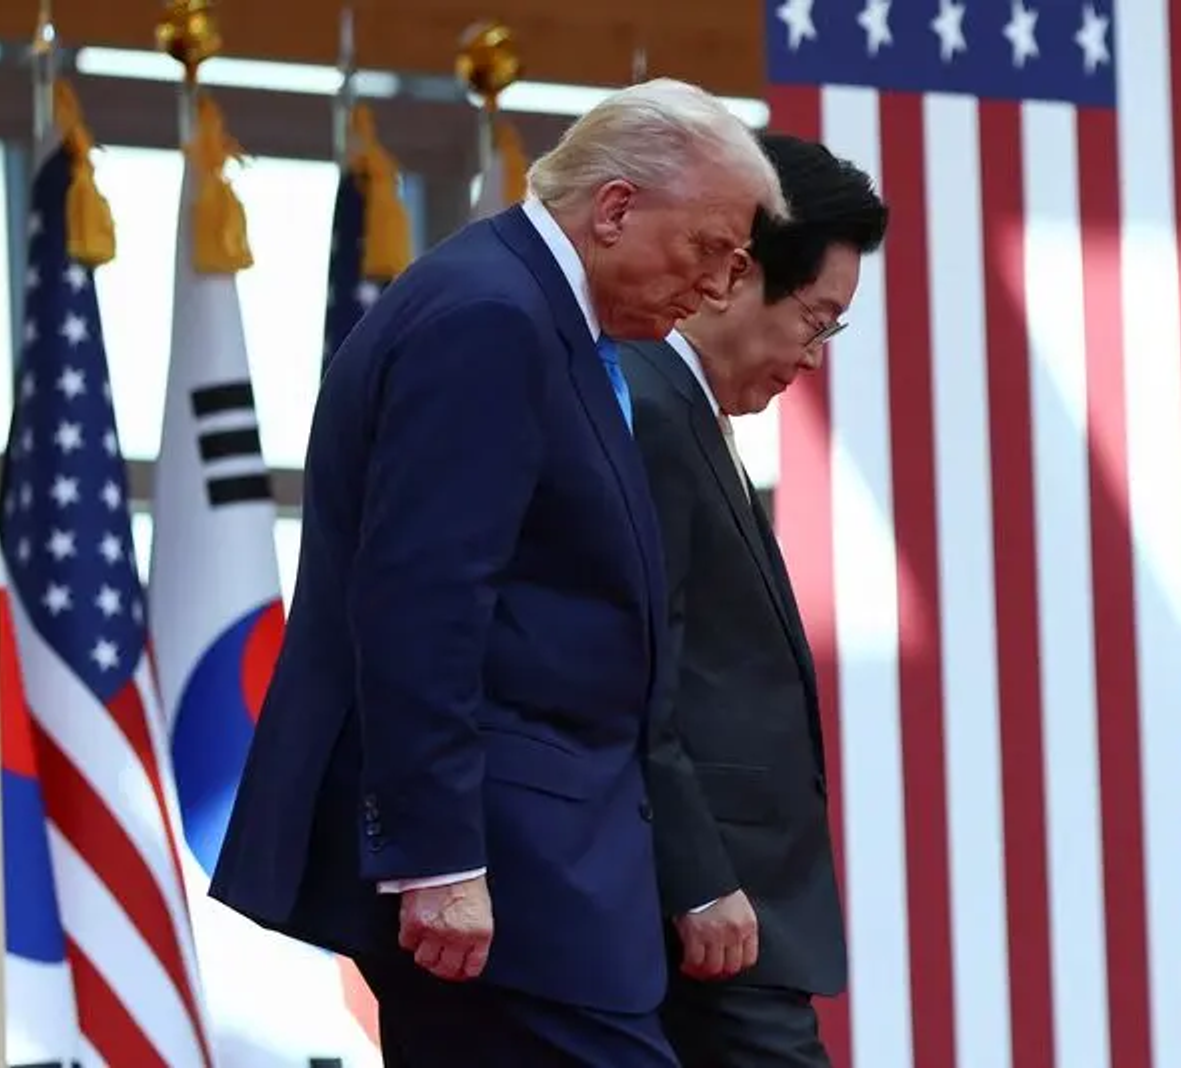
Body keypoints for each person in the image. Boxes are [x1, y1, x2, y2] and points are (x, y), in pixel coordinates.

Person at [207, 79, 786, 1067]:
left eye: (736, 266)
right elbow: (421, 597)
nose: (719, 289)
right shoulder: (492, 315)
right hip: (506, 872)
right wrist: (438, 856)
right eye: (711, 249)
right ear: (615, 209)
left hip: (547, 870)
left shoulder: (542, 317)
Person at [617, 133, 888, 1067]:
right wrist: (698, 881)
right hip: (706, 911)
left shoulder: (686, 412)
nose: (814, 357)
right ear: (735, 275)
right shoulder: (650, 408)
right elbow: (638, 676)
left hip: (734, 914)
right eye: (817, 320)